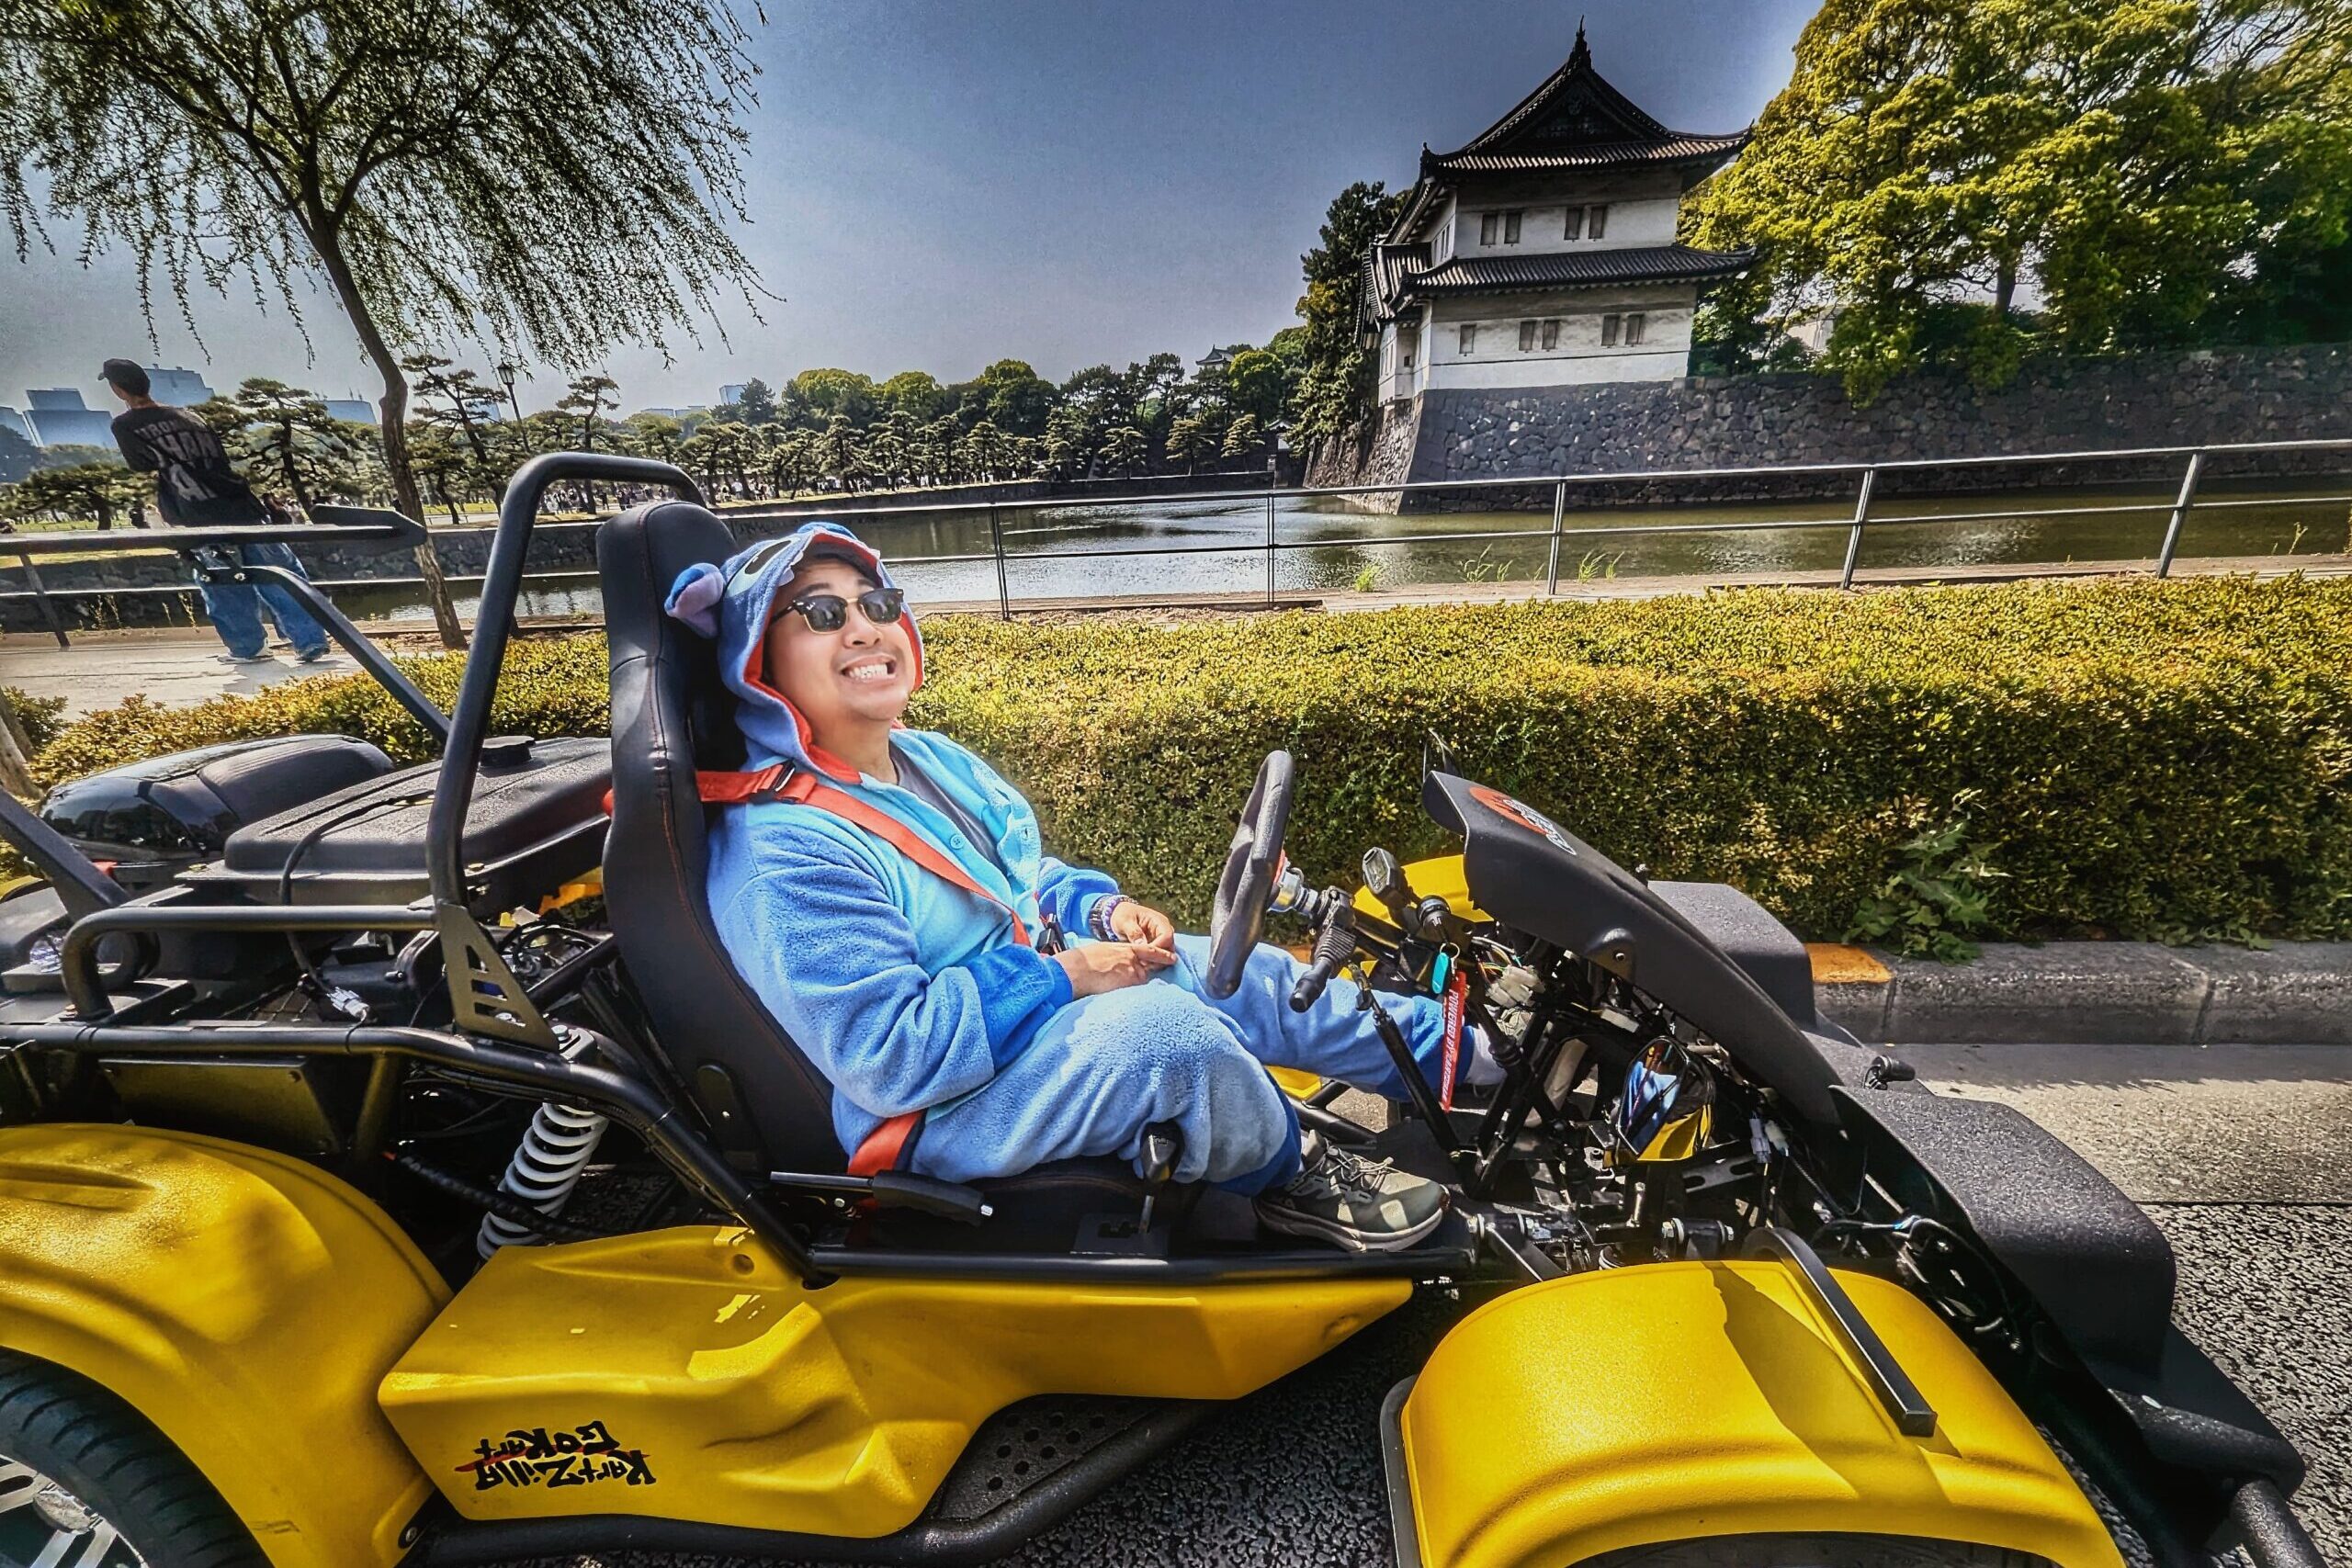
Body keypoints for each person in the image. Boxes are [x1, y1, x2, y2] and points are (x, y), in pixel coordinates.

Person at [669, 524, 1503, 1251]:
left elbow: (1023, 878)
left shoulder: (924, 759)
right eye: (821, 613)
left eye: (877, 603)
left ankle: (1475, 1056)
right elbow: (891, 1056)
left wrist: (1100, 911)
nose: (862, 626)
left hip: (1023, 1013)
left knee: (1245, 971)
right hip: (939, 1105)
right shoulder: (786, 851)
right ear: (757, 661)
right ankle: (1296, 1175)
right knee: (1173, 1039)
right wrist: (1068, 975)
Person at [101, 358, 333, 666]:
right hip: (242, 504)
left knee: (222, 584)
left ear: (118, 389)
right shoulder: (190, 416)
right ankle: (311, 640)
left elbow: (141, 464)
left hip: (197, 510)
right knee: (281, 575)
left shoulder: (125, 425)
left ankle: (248, 648)